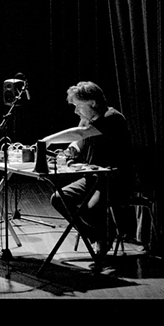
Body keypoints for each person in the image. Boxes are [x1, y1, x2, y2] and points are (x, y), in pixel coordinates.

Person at [39, 80, 135, 255]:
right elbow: (80, 141)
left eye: (78, 106)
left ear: (92, 102)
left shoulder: (111, 118)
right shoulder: (90, 120)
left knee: (89, 208)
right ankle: (97, 235)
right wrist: (69, 152)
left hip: (116, 180)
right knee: (59, 198)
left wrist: (47, 141)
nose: (76, 110)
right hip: (95, 179)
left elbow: (80, 133)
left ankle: (103, 235)